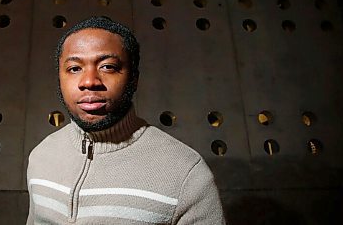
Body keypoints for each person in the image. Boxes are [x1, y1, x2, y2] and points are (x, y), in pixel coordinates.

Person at [26, 16, 226, 224]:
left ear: (134, 78)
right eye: (75, 68)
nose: (89, 81)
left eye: (107, 66)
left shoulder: (186, 174)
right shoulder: (40, 156)